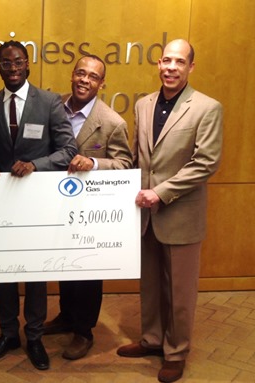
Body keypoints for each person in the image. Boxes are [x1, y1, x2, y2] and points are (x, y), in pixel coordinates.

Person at [116, 39, 223, 383]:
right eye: (166, 60)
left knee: (179, 290)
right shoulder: (143, 105)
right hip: (145, 215)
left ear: (191, 67)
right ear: (158, 64)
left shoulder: (207, 108)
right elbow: (136, 156)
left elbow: (205, 163)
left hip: (179, 213)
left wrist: (160, 194)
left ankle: (176, 352)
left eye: (179, 61)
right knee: (150, 283)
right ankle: (151, 340)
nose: (171, 67)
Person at [0, 40, 77, 370]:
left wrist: (37, 165)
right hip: (2, 202)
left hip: (38, 204)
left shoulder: (49, 102)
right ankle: (8, 334)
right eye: (5, 63)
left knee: (36, 273)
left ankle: (34, 336)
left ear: (28, 64)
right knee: (5, 272)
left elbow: (68, 149)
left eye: (18, 62)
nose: (12, 68)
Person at [43, 55, 133, 360]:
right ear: (72, 75)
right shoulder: (52, 106)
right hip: (54, 203)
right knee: (64, 263)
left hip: (91, 208)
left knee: (88, 269)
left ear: (101, 84)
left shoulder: (112, 122)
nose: (85, 80)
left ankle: (84, 331)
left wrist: (94, 162)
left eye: (93, 77)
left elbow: (124, 165)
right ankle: (66, 316)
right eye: (81, 73)